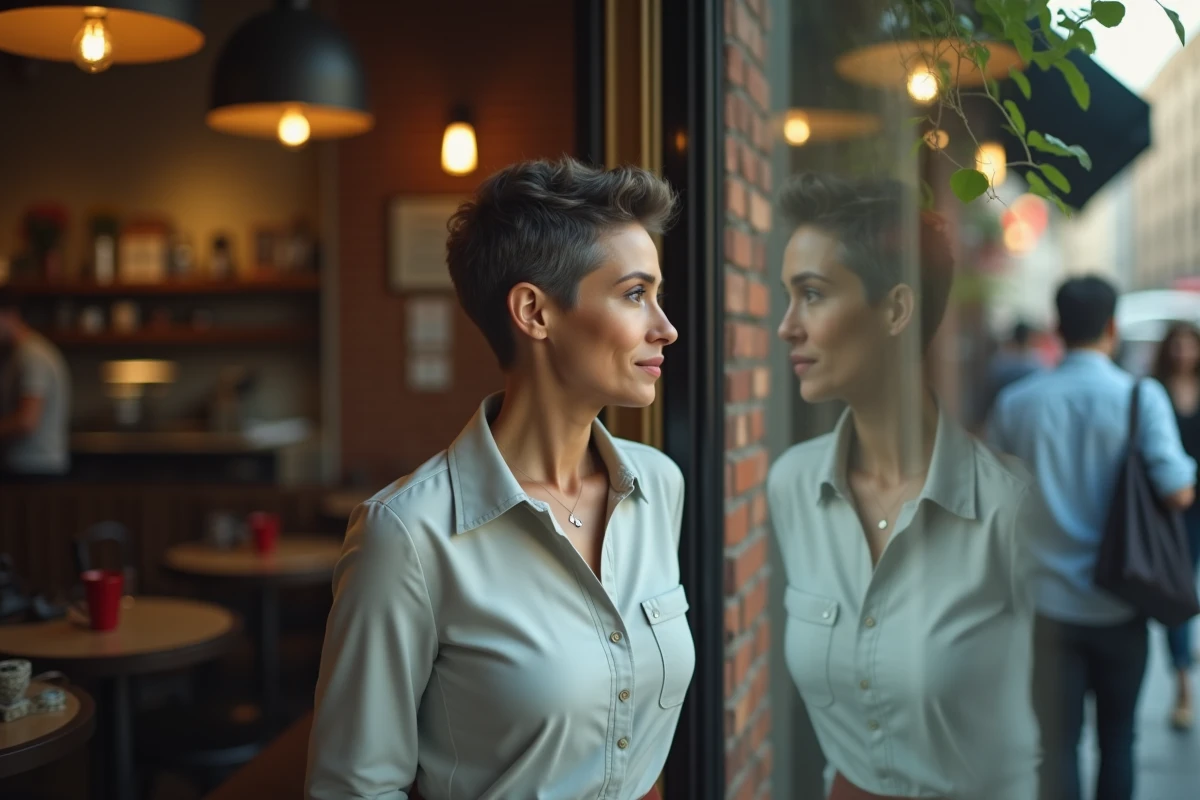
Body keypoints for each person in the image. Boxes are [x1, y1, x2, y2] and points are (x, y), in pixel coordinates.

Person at [305, 158, 692, 800]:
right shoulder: (405, 536)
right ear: (534, 312)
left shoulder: (658, 488)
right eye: (633, 294)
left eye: (657, 295)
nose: (666, 327)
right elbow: (354, 789)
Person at [766, 173, 1041, 800]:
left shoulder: (1007, 509)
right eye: (789, 295)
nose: (787, 326)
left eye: (812, 295)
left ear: (894, 308)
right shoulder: (793, 486)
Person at [989, 275, 1196, 800]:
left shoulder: (1017, 403)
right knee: (1118, 741)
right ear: (1111, 327)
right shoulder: (1140, 397)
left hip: (1044, 605)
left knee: (1055, 747)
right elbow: (1178, 493)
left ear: (1058, 328)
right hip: (1118, 603)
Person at [1148, 321, 1200, 730]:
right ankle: (1183, 682)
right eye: (1177, 346)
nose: (1184, 354)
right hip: (1170, 508)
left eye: (1190, 346)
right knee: (1179, 593)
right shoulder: (1153, 392)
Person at [0, 288, 70, 480]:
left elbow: (26, 420)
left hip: (36, 468)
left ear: (10, 315)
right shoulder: (16, 355)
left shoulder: (32, 356)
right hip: (26, 465)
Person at [984, 320, 1043, 415]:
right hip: (1027, 408)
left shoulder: (1001, 357)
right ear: (1028, 337)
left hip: (1003, 405)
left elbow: (992, 382)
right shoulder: (1034, 359)